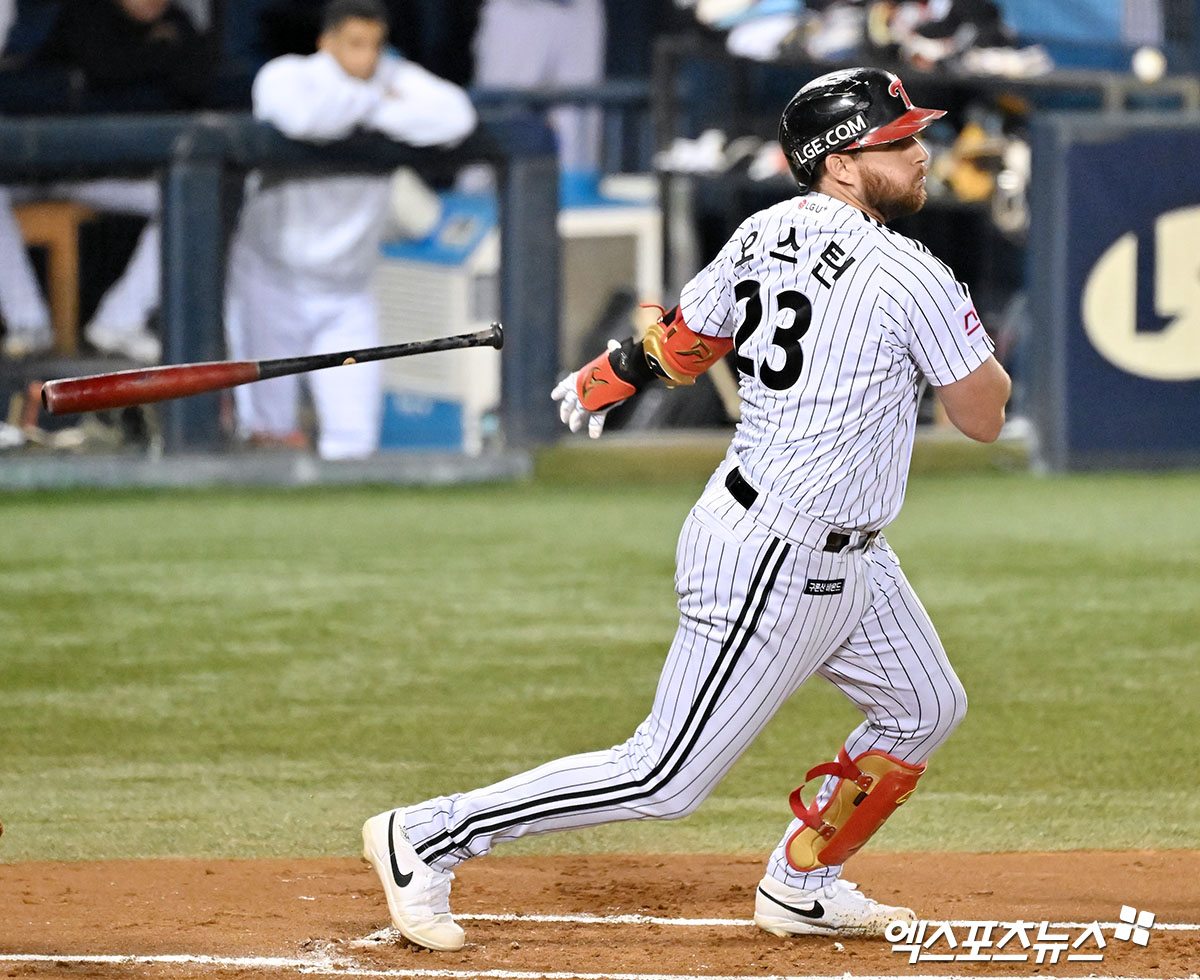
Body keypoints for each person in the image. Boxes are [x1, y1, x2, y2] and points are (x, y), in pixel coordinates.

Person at [361, 66, 1012, 951]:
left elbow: (689, 340)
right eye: (897, 142)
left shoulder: (761, 229)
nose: (921, 153)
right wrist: (968, 338)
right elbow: (983, 418)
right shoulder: (914, 274)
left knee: (925, 705)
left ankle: (802, 882)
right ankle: (428, 834)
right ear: (843, 166)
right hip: (775, 553)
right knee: (663, 775)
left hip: (846, 551)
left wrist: (612, 376)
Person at [224, 0, 476, 459]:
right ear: (327, 42)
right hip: (271, 285)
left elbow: (456, 117)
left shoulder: (392, 77)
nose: (366, 58)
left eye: (375, 45)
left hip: (348, 293)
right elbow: (304, 118)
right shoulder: (288, 75)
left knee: (355, 444)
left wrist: (361, 108)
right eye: (355, 44)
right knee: (267, 436)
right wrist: (380, 109)